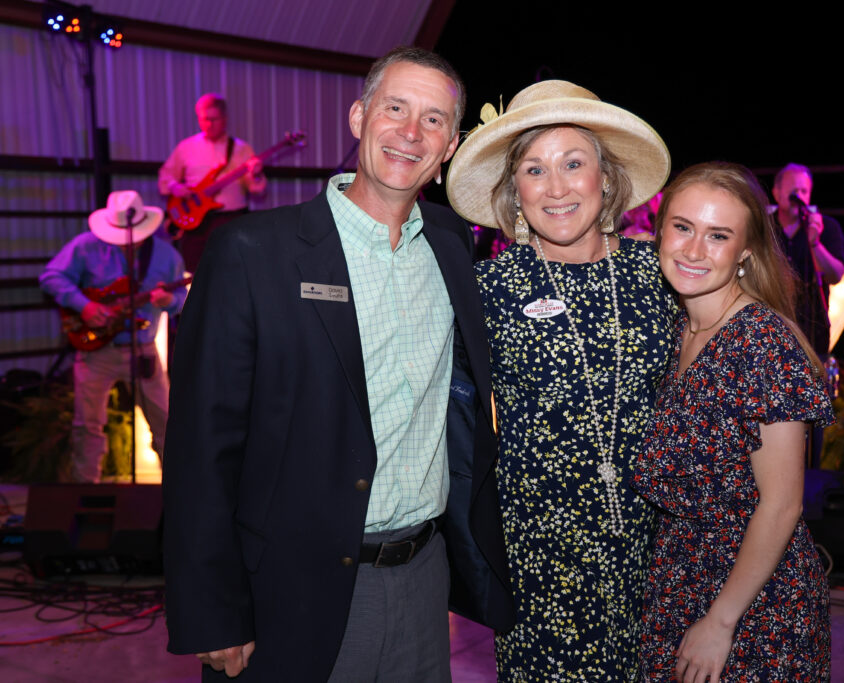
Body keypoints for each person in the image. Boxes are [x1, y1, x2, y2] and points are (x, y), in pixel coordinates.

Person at [162, 46, 514, 682]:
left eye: (433, 120)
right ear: (358, 117)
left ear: (451, 144)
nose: (411, 133)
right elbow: (199, 447)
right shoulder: (253, 253)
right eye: (396, 108)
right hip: (290, 587)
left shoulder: (451, 245)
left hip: (424, 580)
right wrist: (210, 610)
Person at [446, 80, 677, 680]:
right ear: (514, 192)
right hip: (540, 552)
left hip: (655, 538)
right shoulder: (488, 289)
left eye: (574, 164)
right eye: (534, 169)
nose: (556, 187)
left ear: (606, 178)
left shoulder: (661, 272)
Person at [634, 162, 833, 682]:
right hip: (681, 579)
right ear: (660, 230)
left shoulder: (760, 344)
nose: (694, 250)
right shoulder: (679, 327)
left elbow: (783, 502)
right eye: (682, 227)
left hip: (752, 603)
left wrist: (720, 621)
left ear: (745, 252)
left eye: (717, 236)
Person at [39, 190, 186, 483]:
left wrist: (166, 302)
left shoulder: (166, 256)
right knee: (88, 425)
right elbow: (51, 277)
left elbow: (182, 298)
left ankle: (176, 494)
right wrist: (86, 305)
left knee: (166, 424)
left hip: (142, 350)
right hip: (97, 353)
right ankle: (87, 493)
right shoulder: (85, 247)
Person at [771, 163, 844, 468]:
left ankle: (809, 473)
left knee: (809, 405)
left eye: (804, 190)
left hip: (811, 328)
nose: (798, 195)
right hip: (772, 327)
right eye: (792, 189)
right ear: (776, 191)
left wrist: (815, 242)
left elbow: (835, 275)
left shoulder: (824, 226)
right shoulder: (764, 228)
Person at [158, 92, 267, 272]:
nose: (208, 124)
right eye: (204, 119)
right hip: (196, 223)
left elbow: (257, 190)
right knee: (194, 272)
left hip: (230, 220)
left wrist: (256, 175)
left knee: (231, 271)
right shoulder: (186, 147)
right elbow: (165, 176)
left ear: (224, 119)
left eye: (213, 119)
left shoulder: (242, 149)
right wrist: (176, 187)